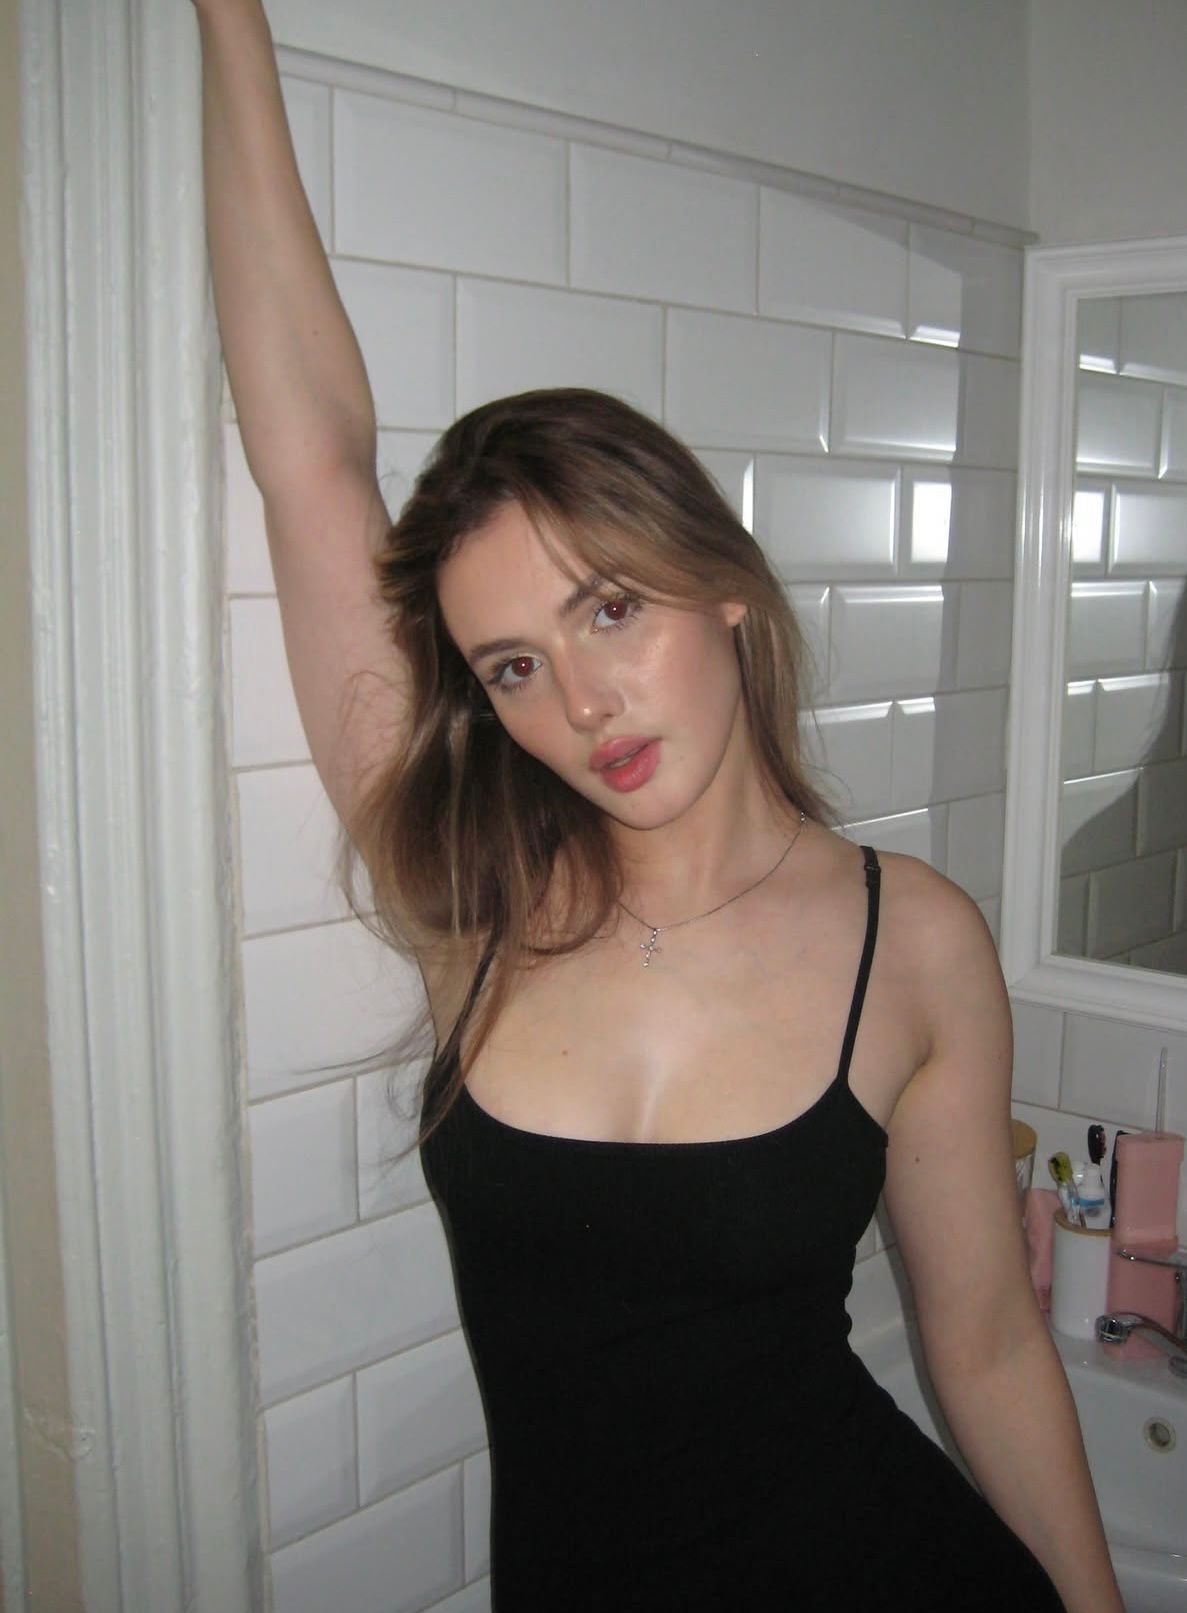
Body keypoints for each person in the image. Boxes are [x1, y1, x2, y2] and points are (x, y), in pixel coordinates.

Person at [192, 3, 1126, 1609]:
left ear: (724, 588)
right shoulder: (479, 899)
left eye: (610, 608)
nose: (582, 702)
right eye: (514, 664)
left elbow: (983, 1345)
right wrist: (229, 21)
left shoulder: (912, 942)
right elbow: (311, 464)